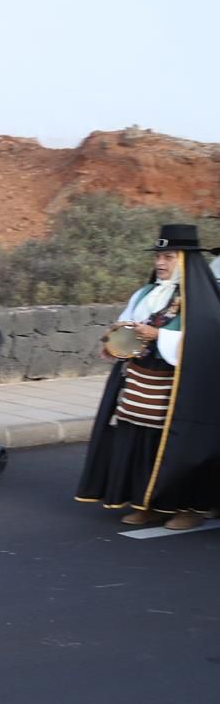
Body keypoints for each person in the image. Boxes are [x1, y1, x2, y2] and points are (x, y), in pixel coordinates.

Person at [76, 225, 220, 531]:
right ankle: (147, 504)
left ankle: (188, 508)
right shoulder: (145, 294)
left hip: (180, 388)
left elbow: (206, 342)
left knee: (178, 445)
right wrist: (114, 344)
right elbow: (125, 325)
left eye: (168, 256)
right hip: (141, 381)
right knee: (139, 438)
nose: (160, 262)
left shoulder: (203, 301)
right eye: (158, 256)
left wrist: (158, 335)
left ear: (185, 260)